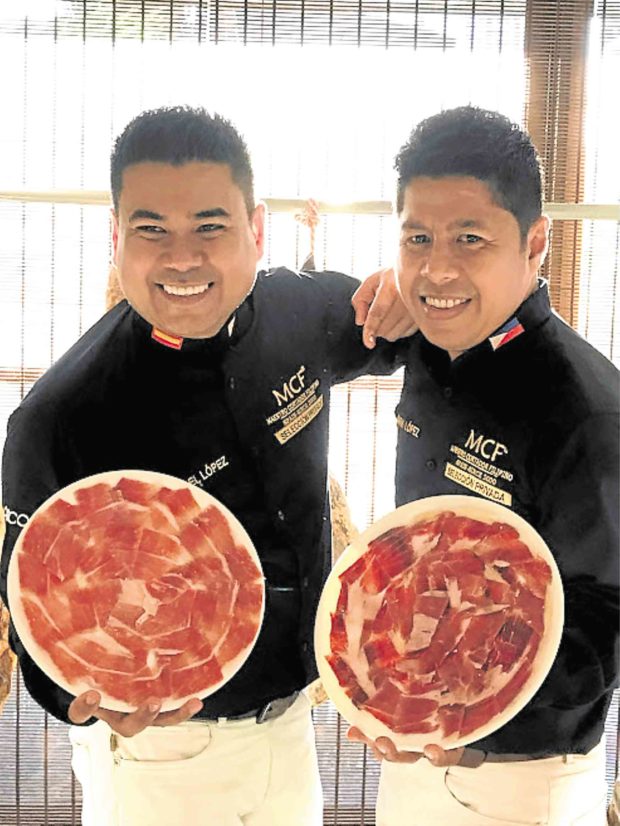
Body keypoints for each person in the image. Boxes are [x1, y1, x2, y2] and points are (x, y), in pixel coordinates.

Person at [0, 106, 413, 826]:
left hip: (290, 724)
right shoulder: (60, 418)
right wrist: (79, 697)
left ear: (257, 230)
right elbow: (33, 630)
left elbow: (400, 330)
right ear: (116, 237)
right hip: (161, 754)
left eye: (210, 228)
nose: (181, 258)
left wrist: (405, 288)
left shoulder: (301, 311)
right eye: (151, 229)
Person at [351, 106, 619, 826]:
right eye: (417, 238)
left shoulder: (588, 414)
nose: (437, 269)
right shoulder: (433, 343)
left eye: (470, 239)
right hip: (414, 753)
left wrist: (464, 709)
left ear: (535, 243)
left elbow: (607, 629)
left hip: (523, 782)